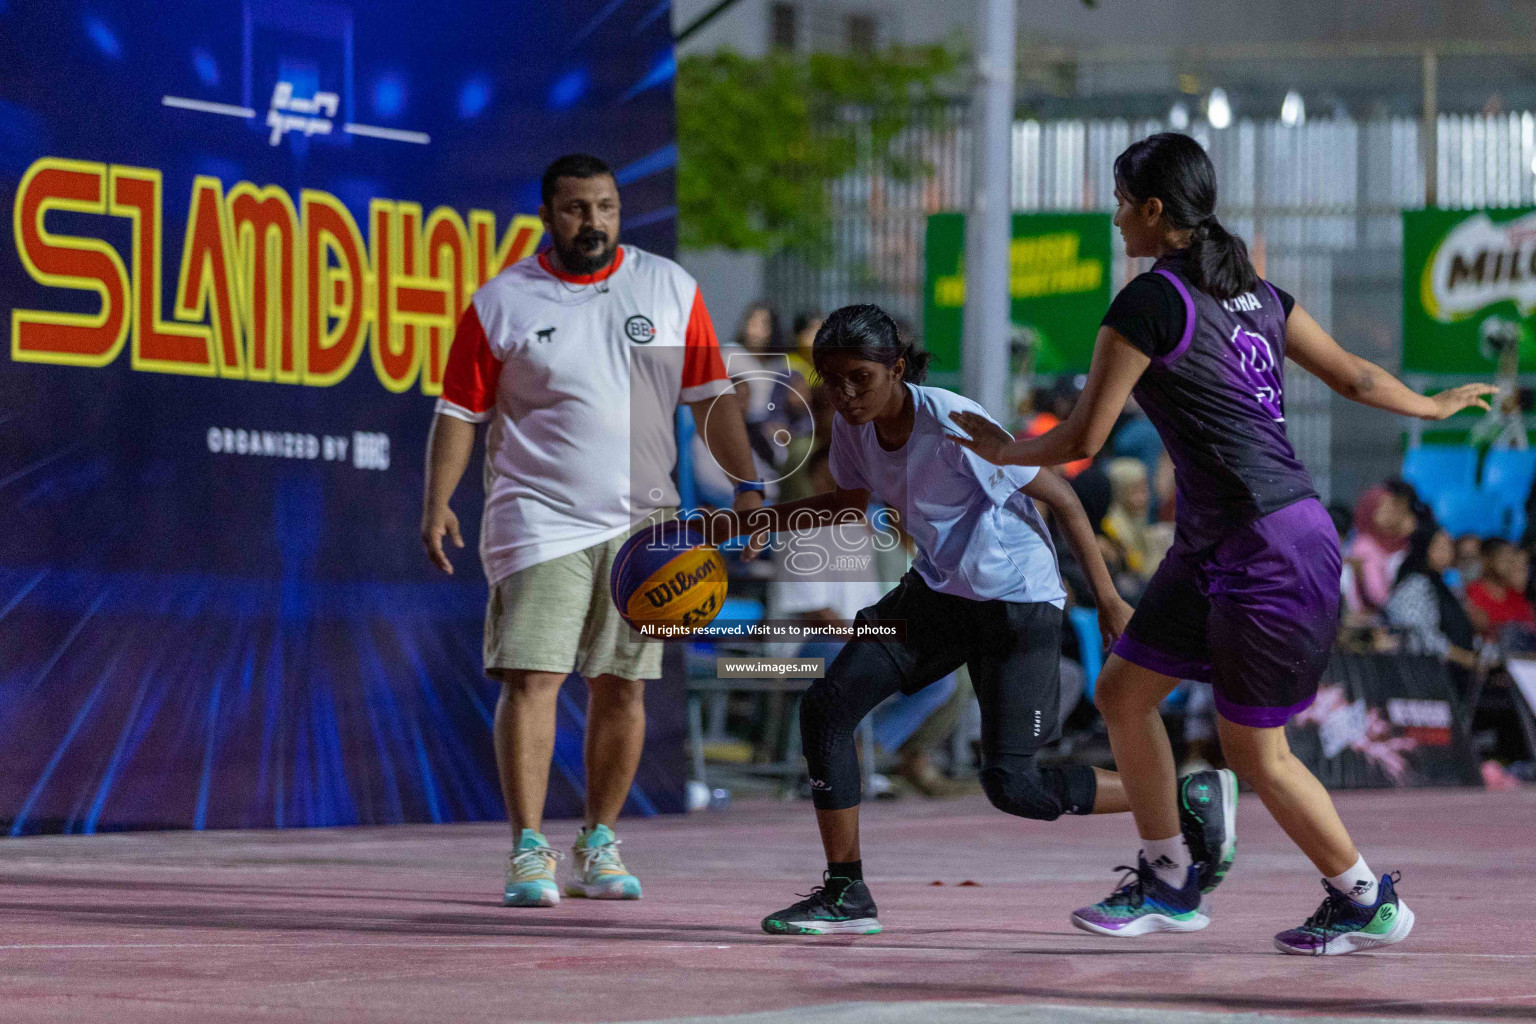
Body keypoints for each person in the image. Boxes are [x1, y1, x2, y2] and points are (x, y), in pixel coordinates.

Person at [949, 132, 1494, 955]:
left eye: (1121, 199)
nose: (1115, 213)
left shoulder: (1147, 302)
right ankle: (1169, 880)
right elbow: (1352, 375)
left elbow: (1084, 436)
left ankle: (1365, 900)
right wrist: (1432, 406)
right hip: (1228, 540)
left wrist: (998, 450)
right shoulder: (1258, 295)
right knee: (1125, 693)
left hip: (1268, 543)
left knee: (1255, 750)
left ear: (1154, 209)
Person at [691, 303, 1238, 936]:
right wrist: (757, 519)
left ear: (896, 367)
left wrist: (1110, 599)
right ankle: (846, 893)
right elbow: (848, 501)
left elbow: (1060, 495)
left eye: (859, 378)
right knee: (827, 705)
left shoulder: (952, 420)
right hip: (938, 594)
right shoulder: (851, 426)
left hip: (1017, 602)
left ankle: (1184, 801)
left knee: (1016, 788)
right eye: (830, 380)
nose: (844, 394)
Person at [421, 154, 763, 908]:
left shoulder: (668, 287)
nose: (594, 223)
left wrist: (747, 486)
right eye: (577, 209)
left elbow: (711, 396)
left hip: (644, 526)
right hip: (537, 518)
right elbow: (459, 414)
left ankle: (599, 839)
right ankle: (528, 849)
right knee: (534, 678)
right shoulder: (502, 301)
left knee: (623, 689)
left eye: (606, 207)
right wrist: (437, 501)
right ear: (549, 213)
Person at [1465, 539, 1535, 642]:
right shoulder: (1473, 592)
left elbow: (1530, 627)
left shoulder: (1517, 595)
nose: (1509, 564)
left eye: (1512, 559)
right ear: (1487, 560)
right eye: (1504, 559)